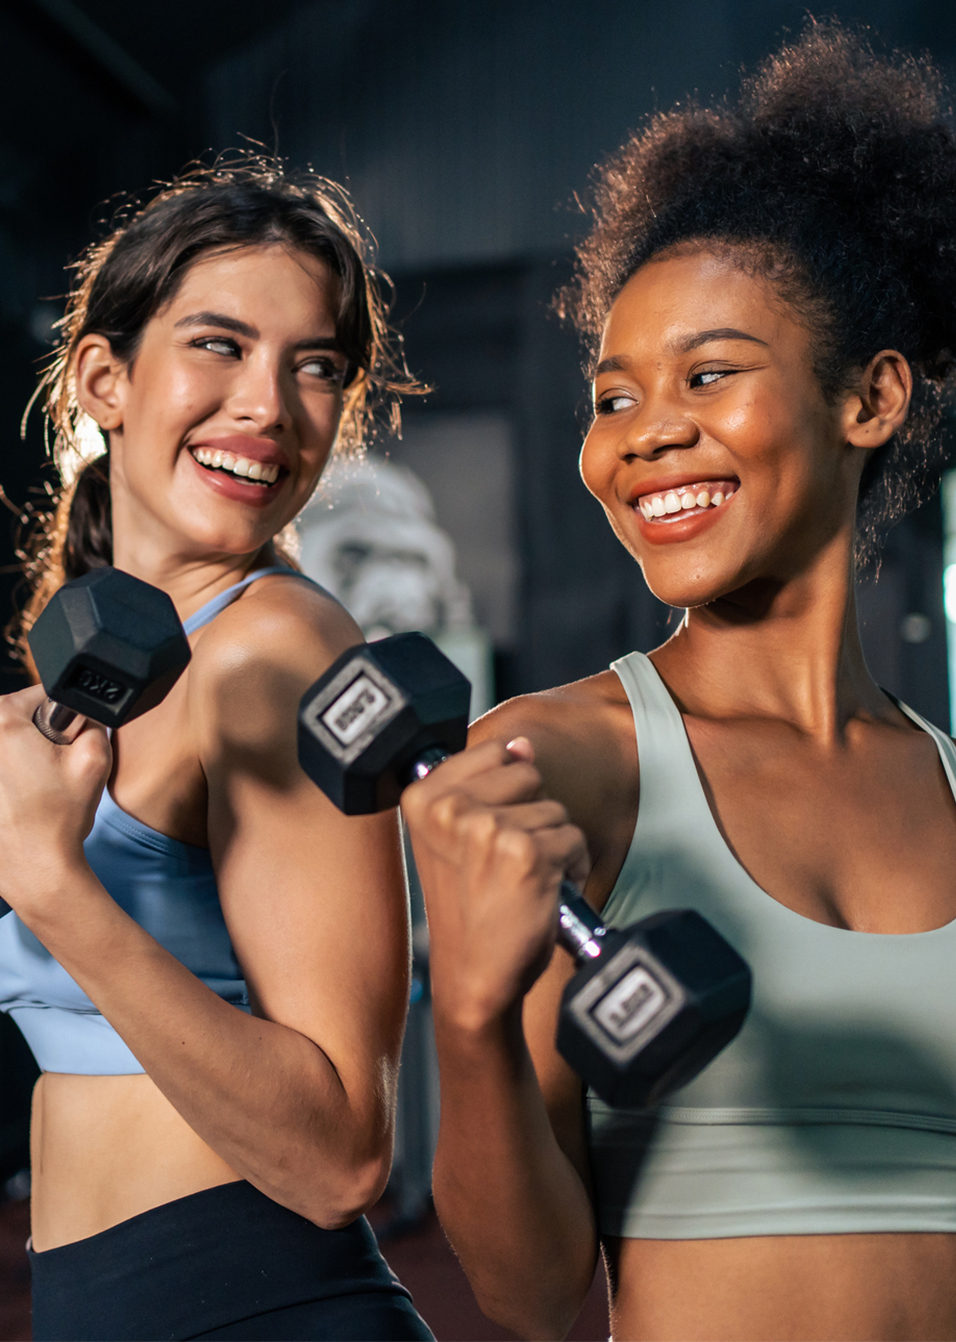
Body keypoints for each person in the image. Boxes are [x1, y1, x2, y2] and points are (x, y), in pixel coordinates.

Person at [401, 23, 956, 1342]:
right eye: (610, 394)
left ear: (872, 397)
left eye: (709, 373)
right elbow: (535, 1300)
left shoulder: (946, 777)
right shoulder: (559, 764)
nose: (643, 433)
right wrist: (473, 1016)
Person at [0, 157, 433, 1341]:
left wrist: (52, 883)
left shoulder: (276, 650)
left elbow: (345, 1150)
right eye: (219, 345)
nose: (267, 405)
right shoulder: (94, 667)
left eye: (315, 366)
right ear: (104, 376)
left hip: (252, 1301)